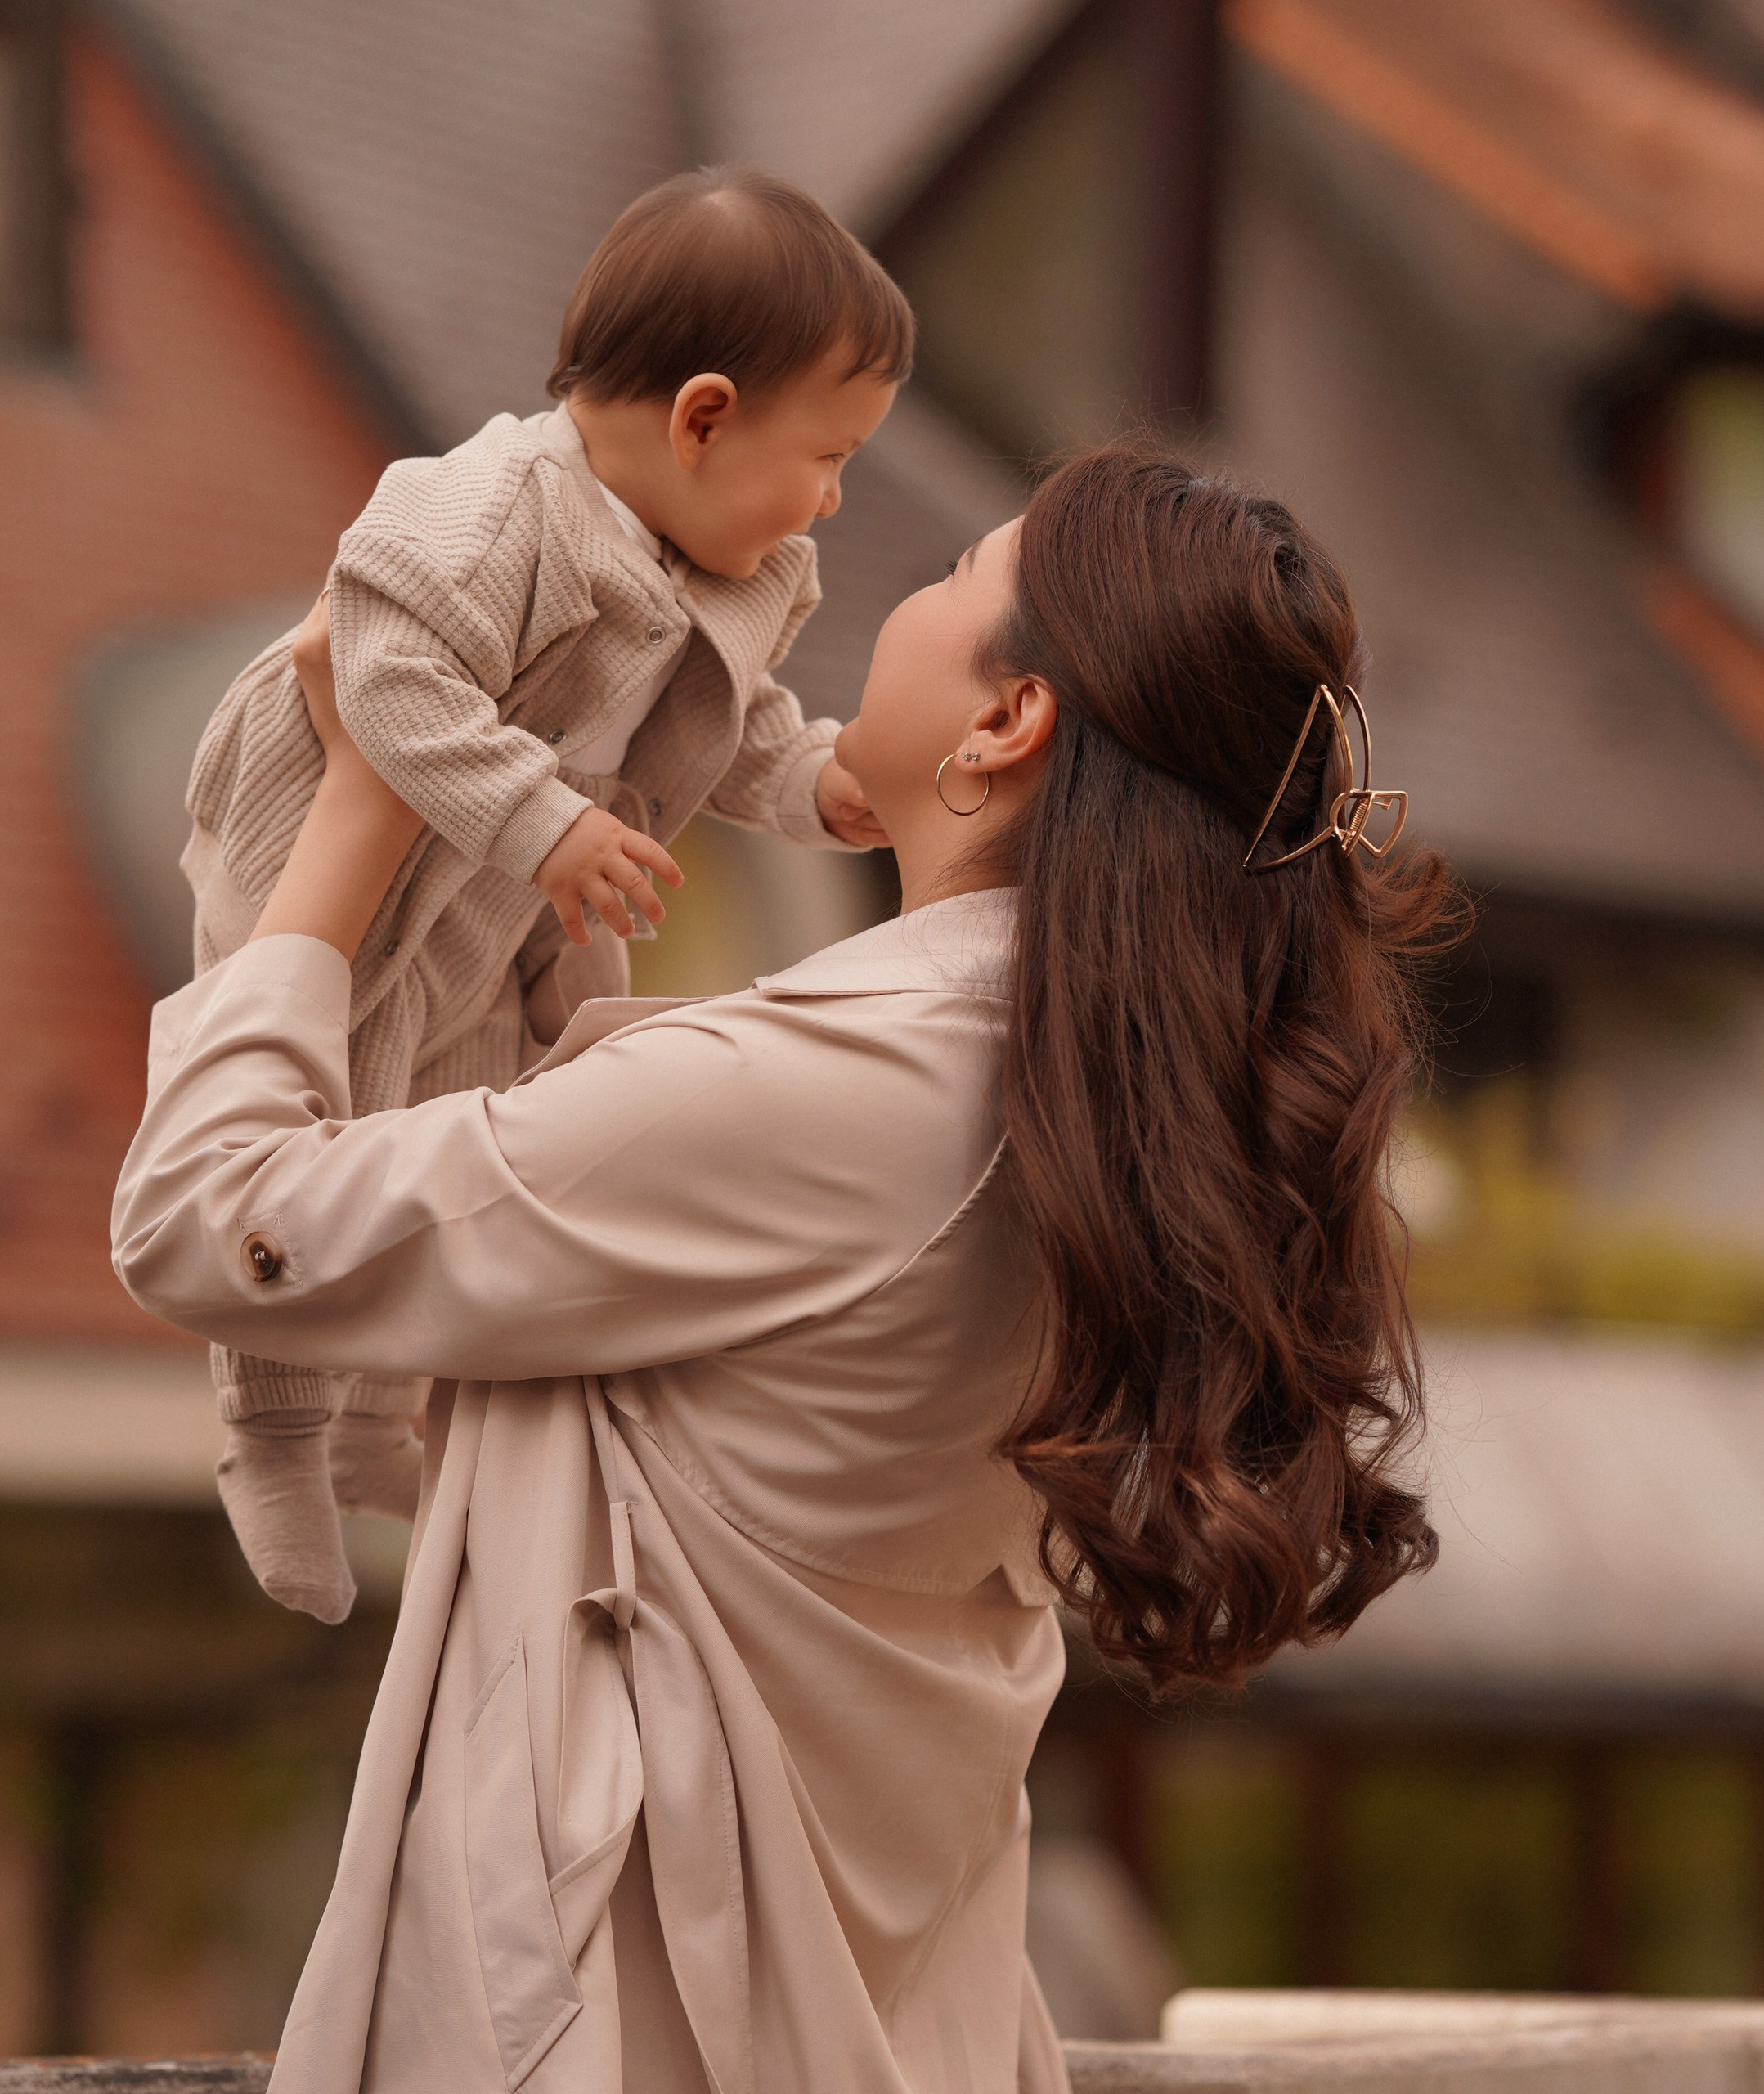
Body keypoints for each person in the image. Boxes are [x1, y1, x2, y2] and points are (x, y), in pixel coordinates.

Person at [112, 444, 1453, 2093]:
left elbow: (207, 1210)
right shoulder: (1087, 1110)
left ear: (1002, 721)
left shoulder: (848, 1084)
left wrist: (365, 794)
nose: (888, 593)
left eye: (956, 571)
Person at [186, 167, 906, 1624]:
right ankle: (268, 1436)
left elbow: (731, 717)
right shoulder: (494, 503)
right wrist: (543, 819)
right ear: (701, 417)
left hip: (488, 906)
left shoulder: (724, 560)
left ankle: (377, 1424)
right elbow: (386, 671)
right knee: (319, 1129)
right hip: (337, 878)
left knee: (452, 1132)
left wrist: (818, 784)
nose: (834, 496)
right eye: (829, 456)